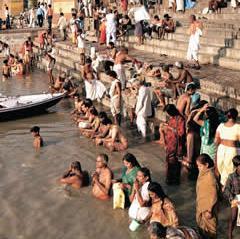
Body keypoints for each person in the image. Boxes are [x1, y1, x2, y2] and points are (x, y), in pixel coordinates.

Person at [159, 104, 186, 185]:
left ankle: (175, 180)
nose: (168, 115)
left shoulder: (180, 119)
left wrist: (169, 128)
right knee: (169, 162)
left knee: (176, 163)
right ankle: (169, 179)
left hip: (177, 146)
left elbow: (181, 133)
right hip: (170, 144)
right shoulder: (171, 118)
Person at [215, 108, 240, 187]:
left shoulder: (221, 126)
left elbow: (216, 141)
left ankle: (223, 189)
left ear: (227, 116)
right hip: (232, 151)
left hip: (221, 150)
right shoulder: (238, 127)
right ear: (236, 116)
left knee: (222, 170)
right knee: (231, 171)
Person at [196, 154, 218, 239]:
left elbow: (213, 195)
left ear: (206, 165)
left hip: (208, 210)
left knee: (211, 232)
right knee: (202, 230)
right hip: (201, 206)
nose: (198, 168)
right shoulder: (203, 173)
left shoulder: (210, 177)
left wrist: (209, 210)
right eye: (197, 166)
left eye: (200, 166)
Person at [224, 155, 240, 239]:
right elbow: (226, 189)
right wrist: (232, 199)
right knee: (233, 217)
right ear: (236, 166)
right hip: (235, 198)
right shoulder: (231, 176)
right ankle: (229, 235)